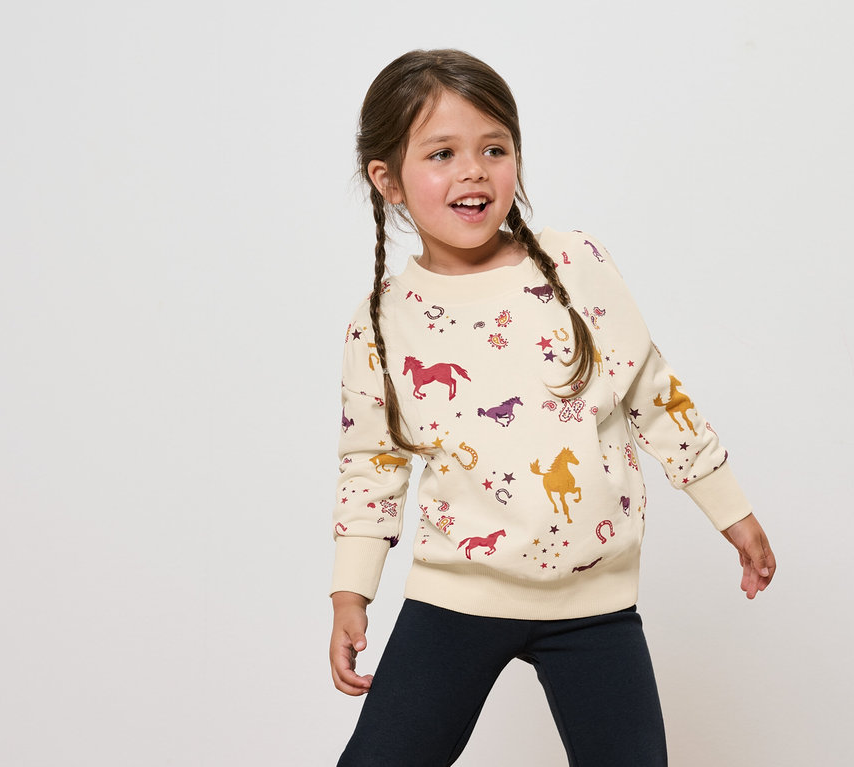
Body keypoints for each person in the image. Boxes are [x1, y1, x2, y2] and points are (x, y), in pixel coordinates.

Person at [329, 49, 775, 766]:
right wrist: (350, 592)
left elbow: (653, 393)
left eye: (494, 148)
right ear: (389, 181)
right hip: (455, 599)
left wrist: (731, 510)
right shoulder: (380, 323)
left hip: (592, 604)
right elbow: (370, 466)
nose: (474, 171)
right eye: (442, 153)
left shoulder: (576, 264)